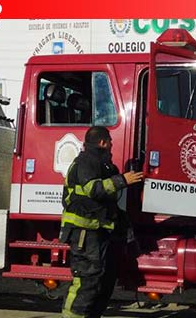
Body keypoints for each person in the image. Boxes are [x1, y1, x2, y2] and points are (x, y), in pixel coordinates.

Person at [60, 126, 144, 318]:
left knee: (103, 280)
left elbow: (110, 201)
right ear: (103, 142)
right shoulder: (86, 161)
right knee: (87, 280)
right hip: (84, 231)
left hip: (100, 231)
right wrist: (122, 180)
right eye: (110, 142)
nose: (112, 145)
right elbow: (93, 189)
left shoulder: (105, 165)